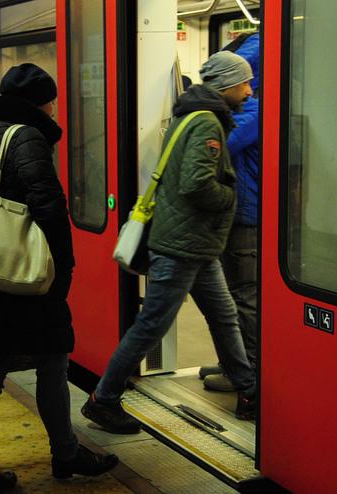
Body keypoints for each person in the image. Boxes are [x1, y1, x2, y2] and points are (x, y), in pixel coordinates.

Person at [0, 63, 118, 493]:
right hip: (22, 279)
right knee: (52, 364)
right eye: (52, 100)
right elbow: (48, 206)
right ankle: (64, 454)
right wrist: (63, 270)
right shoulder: (29, 137)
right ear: (42, 102)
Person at [81, 51, 258, 435]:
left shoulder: (189, 114)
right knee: (150, 326)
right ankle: (103, 399)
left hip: (195, 244)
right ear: (227, 85)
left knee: (225, 317)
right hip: (181, 246)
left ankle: (248, 391)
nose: (249, 90)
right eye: (244, 82)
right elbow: (195, 183)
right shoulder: (207, 122)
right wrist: (230, 197)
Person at [203, 34, 261, 392]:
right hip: (234, 213)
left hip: (246, 214)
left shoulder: (251, 112)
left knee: (244, 297)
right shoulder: (237, 110)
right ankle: (231, 361)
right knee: (231, 295)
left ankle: (248, 370)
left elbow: (222, 146)